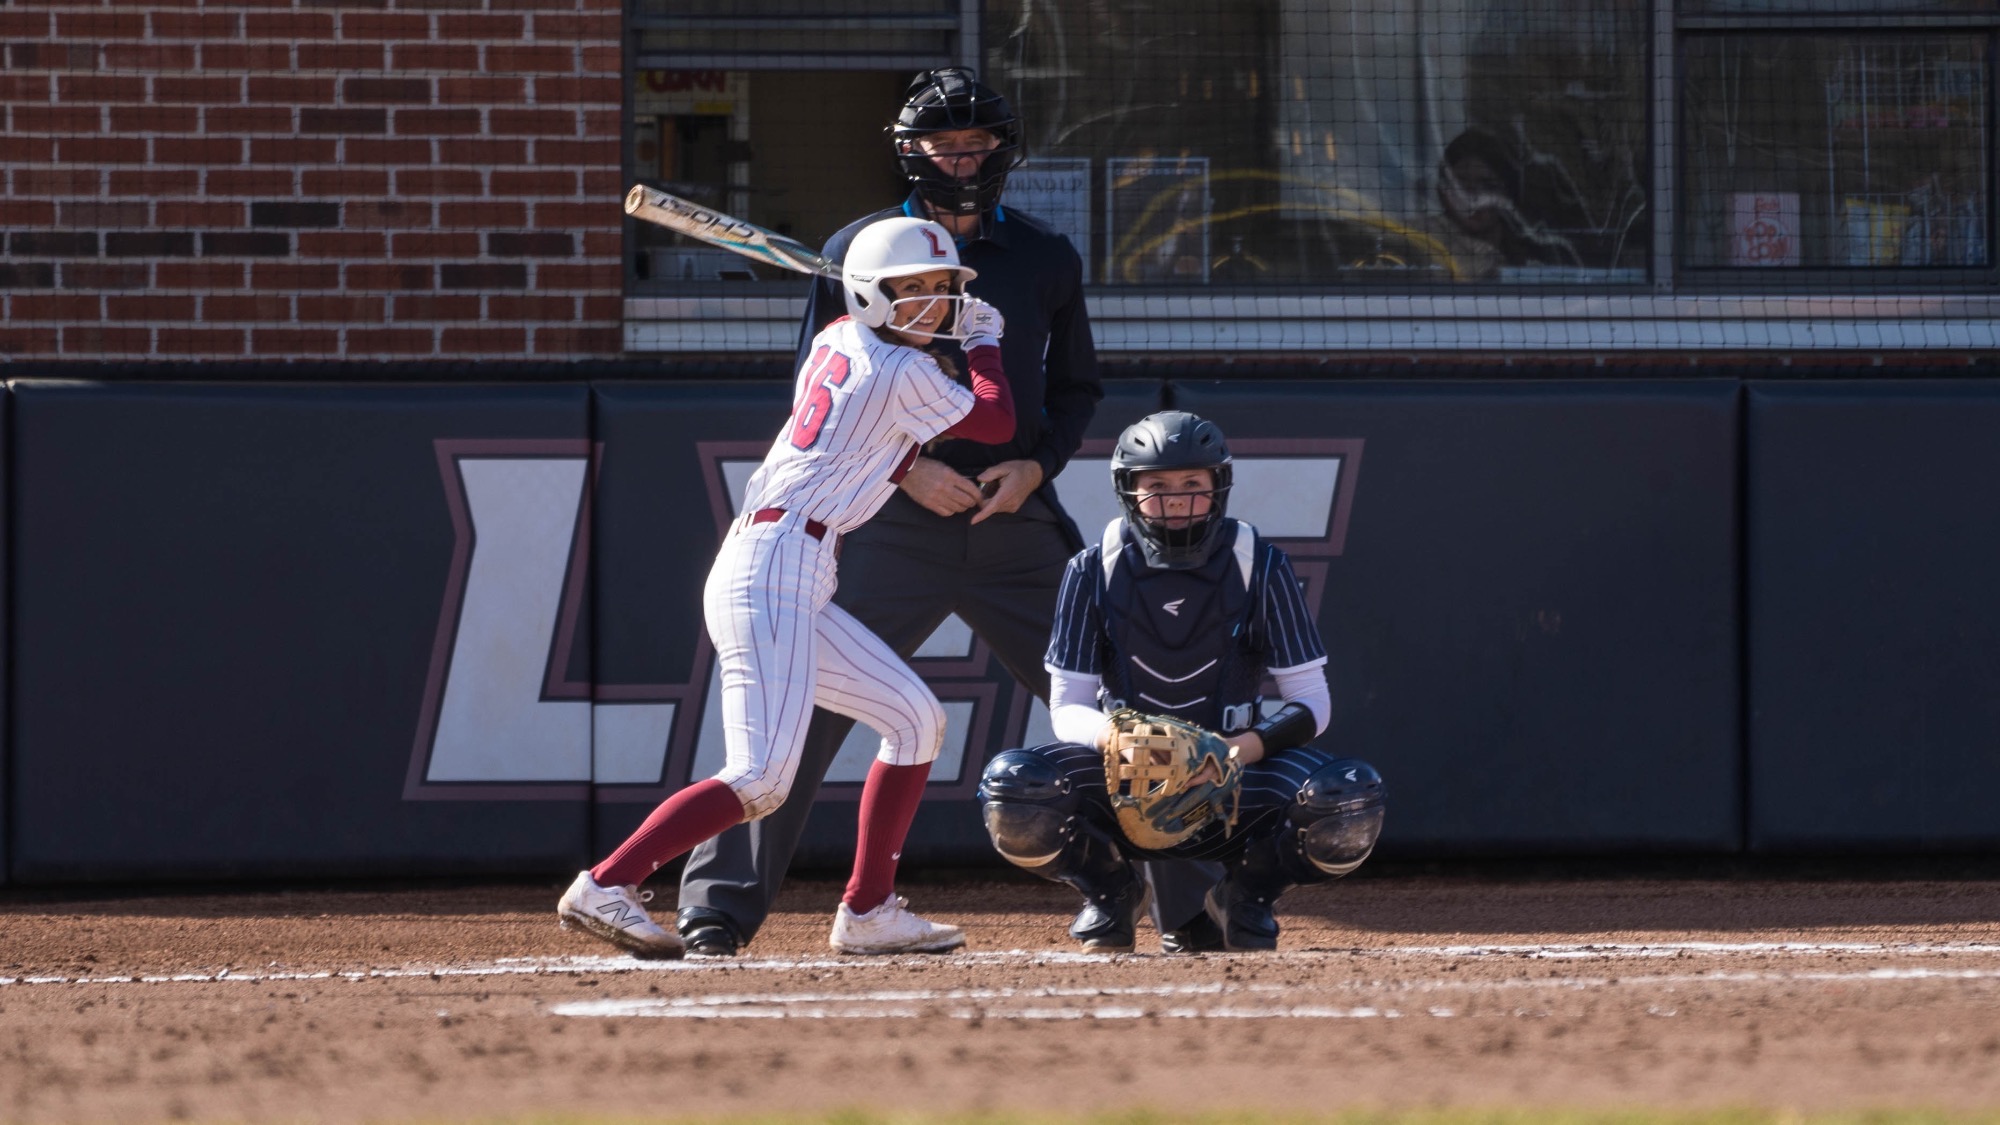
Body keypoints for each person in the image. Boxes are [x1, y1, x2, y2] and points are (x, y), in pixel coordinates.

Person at [674, 67, 1227, 957]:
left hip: (1014, 522)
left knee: (1119, 698)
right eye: (944, 147)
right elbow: (822, 394)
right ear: (911, 152)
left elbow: (1077, 387)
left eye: (976, 146)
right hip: (891, 520)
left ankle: (1189, 906)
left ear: (1002, 154)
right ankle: (717, 911)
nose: (962, 162)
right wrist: (909, 469)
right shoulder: (860, 248)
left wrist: (1034, 466)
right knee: (797, 706)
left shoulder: (1045, 257)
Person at [557, 215, 1018, 957]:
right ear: (871, 294)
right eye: (912, 290)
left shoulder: (838, 337)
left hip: (793, 562)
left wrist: (912, 430)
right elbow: (996, 421)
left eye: (943, 289)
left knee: (915, 717)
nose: (933, 304)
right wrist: (986, 342)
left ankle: (869, 911)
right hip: (774, 564)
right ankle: (609, 881)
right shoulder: (903, 370)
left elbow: (860, 443)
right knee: (761, 777)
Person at [976, 412, 1387, 951]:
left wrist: (1232, 750)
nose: (1176, 500)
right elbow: (1067, 705)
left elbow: (1312, 701)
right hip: (1125, 778)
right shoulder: (1090, 569)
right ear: (1129, 489)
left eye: (1192, 484)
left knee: (1348, 799)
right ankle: (1111, 892)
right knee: (1014, 788)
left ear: (1219, 486)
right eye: (1158, 486)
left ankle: (1242, 897)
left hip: (1235, 776)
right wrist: (1120, 743)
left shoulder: (1260, 564)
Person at [1433, 128, 1582, 279]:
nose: (1472, 198)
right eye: (1461, 185)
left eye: (1488, 186)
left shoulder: (1544, 250)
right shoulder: (1421, 242)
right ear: (1442, 191)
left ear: (1509, 195)